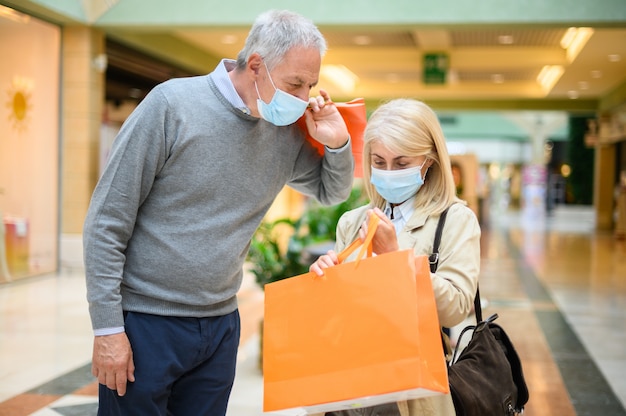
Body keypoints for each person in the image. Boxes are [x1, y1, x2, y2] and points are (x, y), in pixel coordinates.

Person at [83, 9, 354, 416]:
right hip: (146, 322)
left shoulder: (283, 131)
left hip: (221, 326)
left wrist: (336, 143)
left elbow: (329, 190)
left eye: (311, 85)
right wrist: (108, 330)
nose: (303, 98)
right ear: (257, 65)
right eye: (295, 84)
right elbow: (106, 222)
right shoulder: (171, 105)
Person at [309, 98, 481, 416]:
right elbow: (340, 311)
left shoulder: (454, 219)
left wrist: (396, 258)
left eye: (402, 164)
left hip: (411, 390)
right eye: (379, 161)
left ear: (428, 161)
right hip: (347, 381)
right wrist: (325, 278)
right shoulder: (353, 221)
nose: (389, 173)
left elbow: (456, 308)